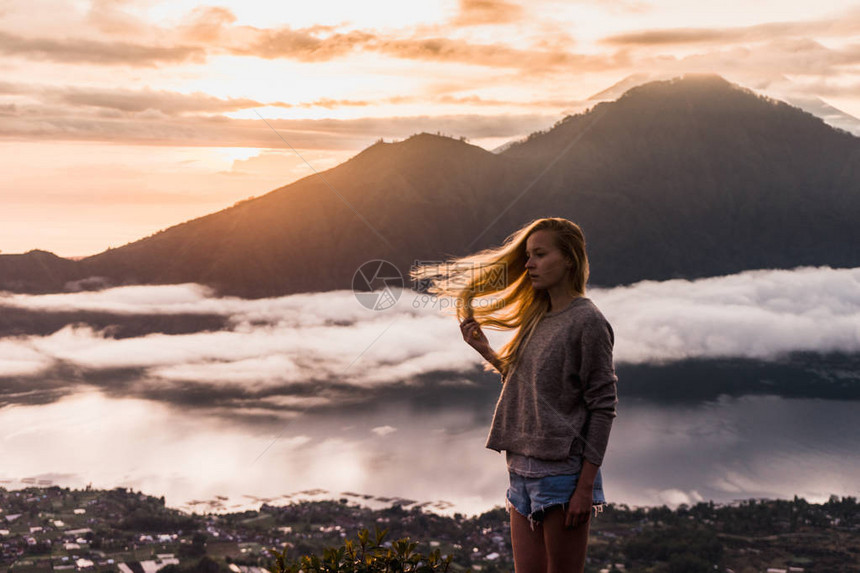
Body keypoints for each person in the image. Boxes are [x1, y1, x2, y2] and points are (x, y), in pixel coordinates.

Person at [411, 217, 618, 573]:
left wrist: (585, 489)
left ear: (568, 258)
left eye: (539, 254)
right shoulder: (538, 316)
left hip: (562, 477)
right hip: (520, 473)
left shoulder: (588, 322)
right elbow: (531, 383)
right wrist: (487, 352)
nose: (528, 264)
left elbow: (602, 406)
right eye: (527, 255)